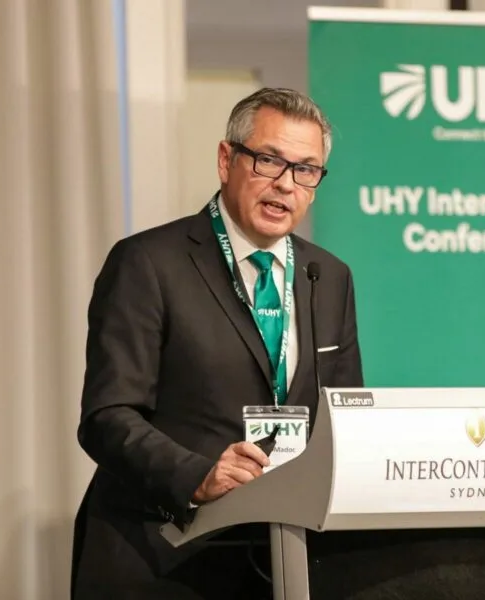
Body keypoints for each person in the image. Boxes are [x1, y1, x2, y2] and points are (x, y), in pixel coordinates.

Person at [70, 88, 364, 599]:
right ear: (227, 160)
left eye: (305, 169)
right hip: (162, 556)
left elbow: (346, 417)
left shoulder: (328, 276)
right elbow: (107, 416)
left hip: (280, 561)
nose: (285, 183)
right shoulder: (148, 263)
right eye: (269, 160)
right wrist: (196, 476)